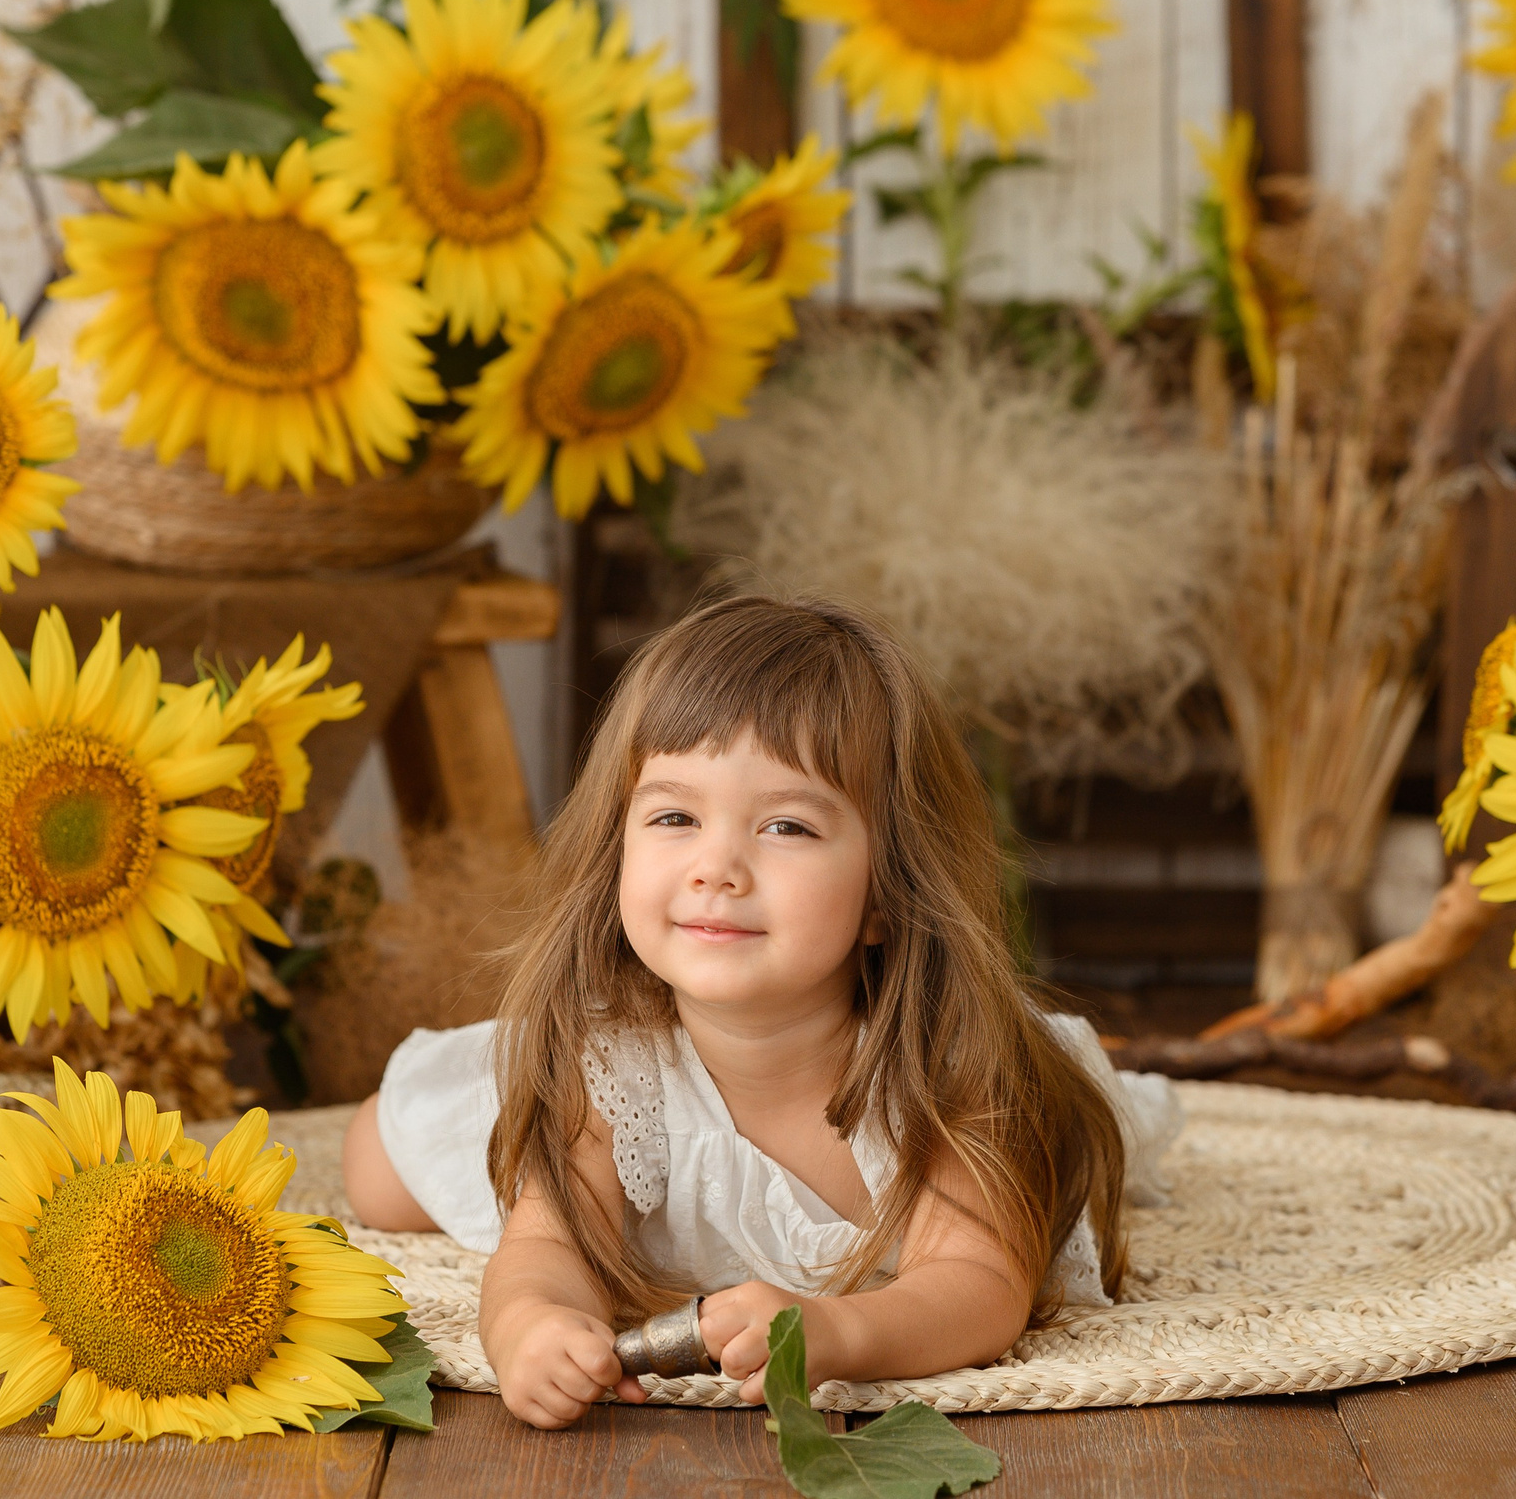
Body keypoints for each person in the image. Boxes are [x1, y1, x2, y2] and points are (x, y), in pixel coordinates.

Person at [342, 594, 1179, 1429]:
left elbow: (978, 1286)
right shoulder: (610, 1071)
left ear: (889, 891)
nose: (717, 866)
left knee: (1068, 1140)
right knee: (381, 1172)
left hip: (946, 1055)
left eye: (785, 825)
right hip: (631, 1043)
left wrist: (840, 1327)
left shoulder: (950, 1069)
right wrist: (530, 1323)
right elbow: (546, 1249)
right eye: (675, 816)